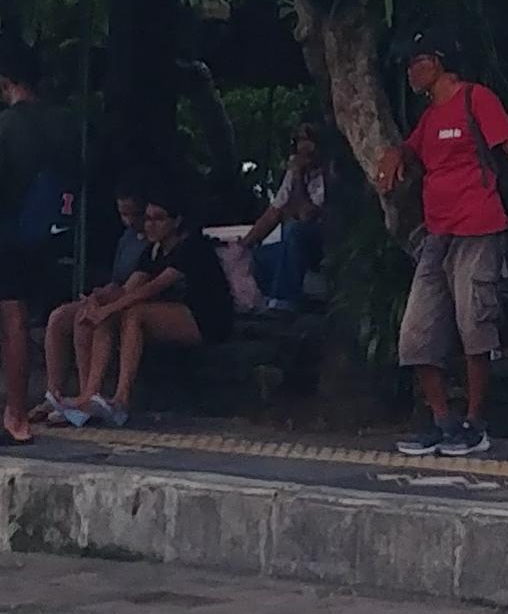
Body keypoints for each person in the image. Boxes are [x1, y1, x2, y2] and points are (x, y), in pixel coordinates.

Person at [374, 35, 508, 460]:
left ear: (438, 62)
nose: (410, 72)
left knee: (474, 322)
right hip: (438, 234)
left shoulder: (475, 99)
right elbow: (409, 149)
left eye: (416, 63)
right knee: (416, 331)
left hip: (478, 228)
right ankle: (443, 418)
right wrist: (394, 154)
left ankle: (474, 421)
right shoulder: (429, 117)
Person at [0, 38, 84, 447]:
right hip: (49, 233)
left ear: (4, 81)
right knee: (24, 322)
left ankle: (14, 414)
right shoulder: (66, 123)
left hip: (3, 236)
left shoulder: (0, 127)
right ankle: (23, 410)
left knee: (9, 324)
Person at [53, 186, 236, 427]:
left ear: (176, 221)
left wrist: (108, 309)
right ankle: (89, 393)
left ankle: (121, 398)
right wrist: (99, 300)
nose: (150, 225)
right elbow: (130, 287)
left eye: (158, 219)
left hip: (206, 319)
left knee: (133, 313)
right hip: (171, 312)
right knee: (106, 313)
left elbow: (151, 289)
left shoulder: (191, 248)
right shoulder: (153, 250)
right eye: (148, 219)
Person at [39, 190, 152, 420]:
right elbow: (117, 280)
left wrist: (102, 303)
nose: (129, 221)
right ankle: (54, 393)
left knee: (88, 319)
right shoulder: (126, 238)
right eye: (123, 214)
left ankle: (88, 394)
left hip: (133, 300)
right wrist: (97, 295)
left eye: (135, 214)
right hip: (113, 293)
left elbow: (136, 286)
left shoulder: (152, 243)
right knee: (59, 317)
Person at [240, 124, 333, 308]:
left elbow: (306, 215)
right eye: (300, 140)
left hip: (323, 244)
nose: (303, 147)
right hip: (294, 243)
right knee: (257, 256)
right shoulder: (294, 173)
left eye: (308, 140)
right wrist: (243, 246)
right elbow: (273, 213)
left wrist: (297, 177)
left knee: (293, 229)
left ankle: (284, 301)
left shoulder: (329, 175)